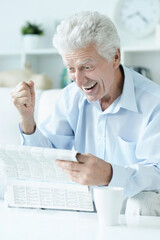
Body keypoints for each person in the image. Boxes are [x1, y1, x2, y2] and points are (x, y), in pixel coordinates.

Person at [11, 11, 160, 215]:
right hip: (80, 209)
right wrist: (27, 120)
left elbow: (157, 172)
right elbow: (47, 159)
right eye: (71, 69)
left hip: (129, 208)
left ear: (115, 57)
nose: (78, 81)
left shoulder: (154, 102)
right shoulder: (70, 97)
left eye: (87, 67)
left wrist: (110, 174)